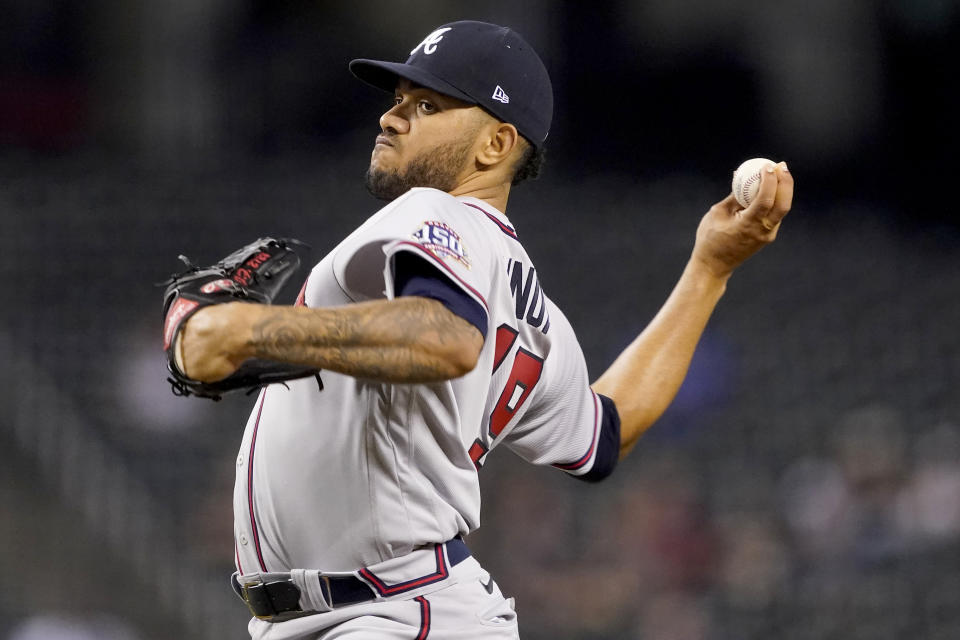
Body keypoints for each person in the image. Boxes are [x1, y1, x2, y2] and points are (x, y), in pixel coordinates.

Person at [176, 20, 793, 640]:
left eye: (426, 105)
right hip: (383, 613)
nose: (392, 118)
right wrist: (709, 270)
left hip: (392, 615)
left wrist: (243, 329)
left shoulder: (435, 211)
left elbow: (444, 337)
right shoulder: (534, 315)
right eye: (396, 102)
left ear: (496, 145)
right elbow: (607, 431)